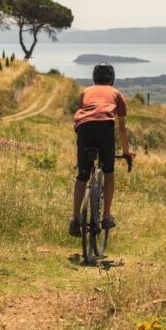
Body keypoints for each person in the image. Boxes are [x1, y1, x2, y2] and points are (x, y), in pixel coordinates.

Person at [69, 62, 135, 237]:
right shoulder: (116, 94)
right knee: (108, 171)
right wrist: (127, 152)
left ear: (94, 77)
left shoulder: (85, 92)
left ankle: (75, 219)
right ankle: (106, 216)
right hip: (105, 128)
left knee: (82, 175)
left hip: (83, 128)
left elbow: (83, 112)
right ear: (112, 78)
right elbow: (121, 129)